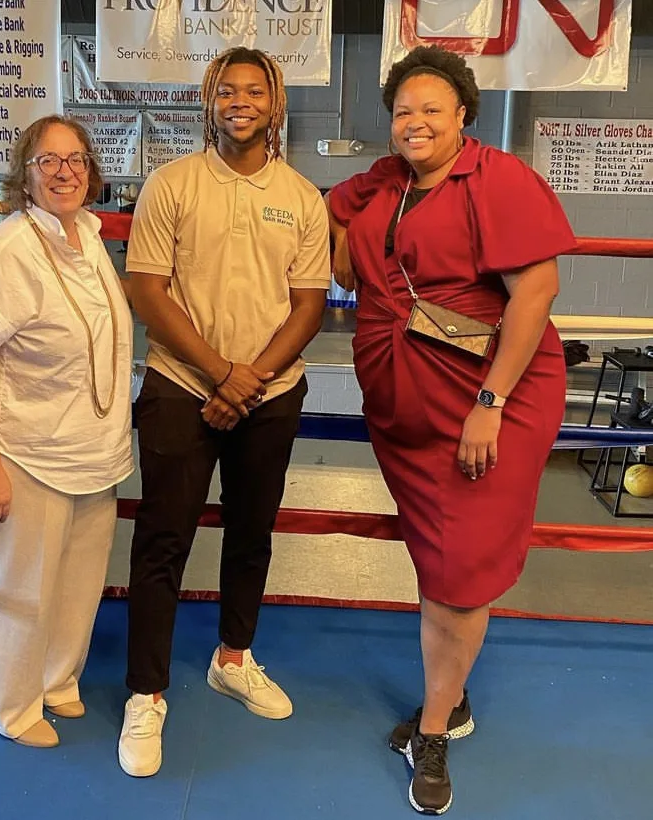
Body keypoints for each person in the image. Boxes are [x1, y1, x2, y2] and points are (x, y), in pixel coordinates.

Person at [327, 46, 576, 814]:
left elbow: (535, 293)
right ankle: (454, 696)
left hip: (487, 405)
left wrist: (490, 403)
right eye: (403, 111)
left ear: (463, 113)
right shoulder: (386, 188)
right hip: (406, 410)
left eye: (432, 108)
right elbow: (343, 269)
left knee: (459, 568)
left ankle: (433, 728)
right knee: (438, 560)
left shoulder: (498, 180)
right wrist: (347, 201)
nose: (416, 122)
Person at [118, 47, 330, 777]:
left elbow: (309, 306)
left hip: (270, 392)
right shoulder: (171, 184)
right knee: (162, 538)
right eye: (227, 90)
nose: (241, 101)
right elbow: (147, 290)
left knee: (251, 534)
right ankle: (145, 692)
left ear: (275, 106)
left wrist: (252, 379)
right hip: (182, 383)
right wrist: (220, 374)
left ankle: (233, 657)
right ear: (209, 101)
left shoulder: (302, 197)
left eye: (255, 91)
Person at [0, 115, 133, 748]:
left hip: (90, 449)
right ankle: (12, 706)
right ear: (24, 173)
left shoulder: (87, 236)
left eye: (75, 159)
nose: (64, 172)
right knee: (21, 589)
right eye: (48, 161)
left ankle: (56, 681)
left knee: (78, 583)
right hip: (25, 451)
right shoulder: (10, 250)